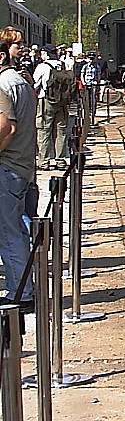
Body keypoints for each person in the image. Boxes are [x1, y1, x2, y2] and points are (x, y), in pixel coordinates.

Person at [0, 26, 37, 310]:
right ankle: (24, 286)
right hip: (23, 164)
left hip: (8, 165)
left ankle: (19, 293)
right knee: (18, 231)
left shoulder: (2, 84)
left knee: (9, 232)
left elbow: (6, 126)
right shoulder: (22, 81)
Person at [33, 49, 71, 168]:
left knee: (44, 130)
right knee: (61, 132)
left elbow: (35, 84)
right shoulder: (62, 64)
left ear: (46, 54)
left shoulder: (42, 66)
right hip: (62, 102)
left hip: (46, 101)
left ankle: (44, 161)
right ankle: (60, 160)